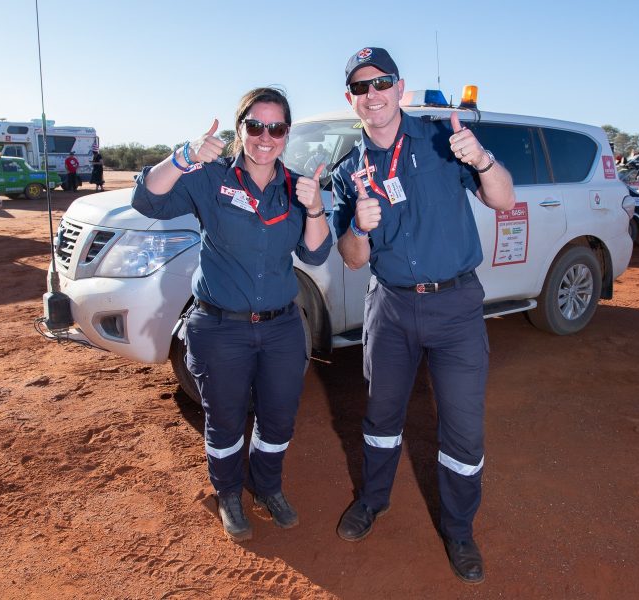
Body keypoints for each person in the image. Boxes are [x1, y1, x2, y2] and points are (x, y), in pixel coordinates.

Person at [331, 47, 516, 584]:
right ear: (352, 99)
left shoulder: (442, 141)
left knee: (462, 427)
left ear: (400, 88)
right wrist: (359, 227)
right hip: (389, 307)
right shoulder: (350, 170)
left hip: (456, 307)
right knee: (381, 418)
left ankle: (459, 531)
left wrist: (481, 159)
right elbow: (350, 257)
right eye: (362, 87)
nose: (374, 94)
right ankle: (372, 500)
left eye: (382, 82)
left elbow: (503, 200)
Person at [131, 87, 332, 542]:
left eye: (276, 128)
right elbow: (148, 200)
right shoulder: (211, 176)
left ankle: (267, 487)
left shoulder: (296, 187)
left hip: (282, 327)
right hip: (219, 328)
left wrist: (315, 206)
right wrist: (183, 156)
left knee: (279, 418)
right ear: (240, 128)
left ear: (286, 133)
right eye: (255, 126)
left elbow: (317, 254)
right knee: (224, 419)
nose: (266, 137)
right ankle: (227, 494)